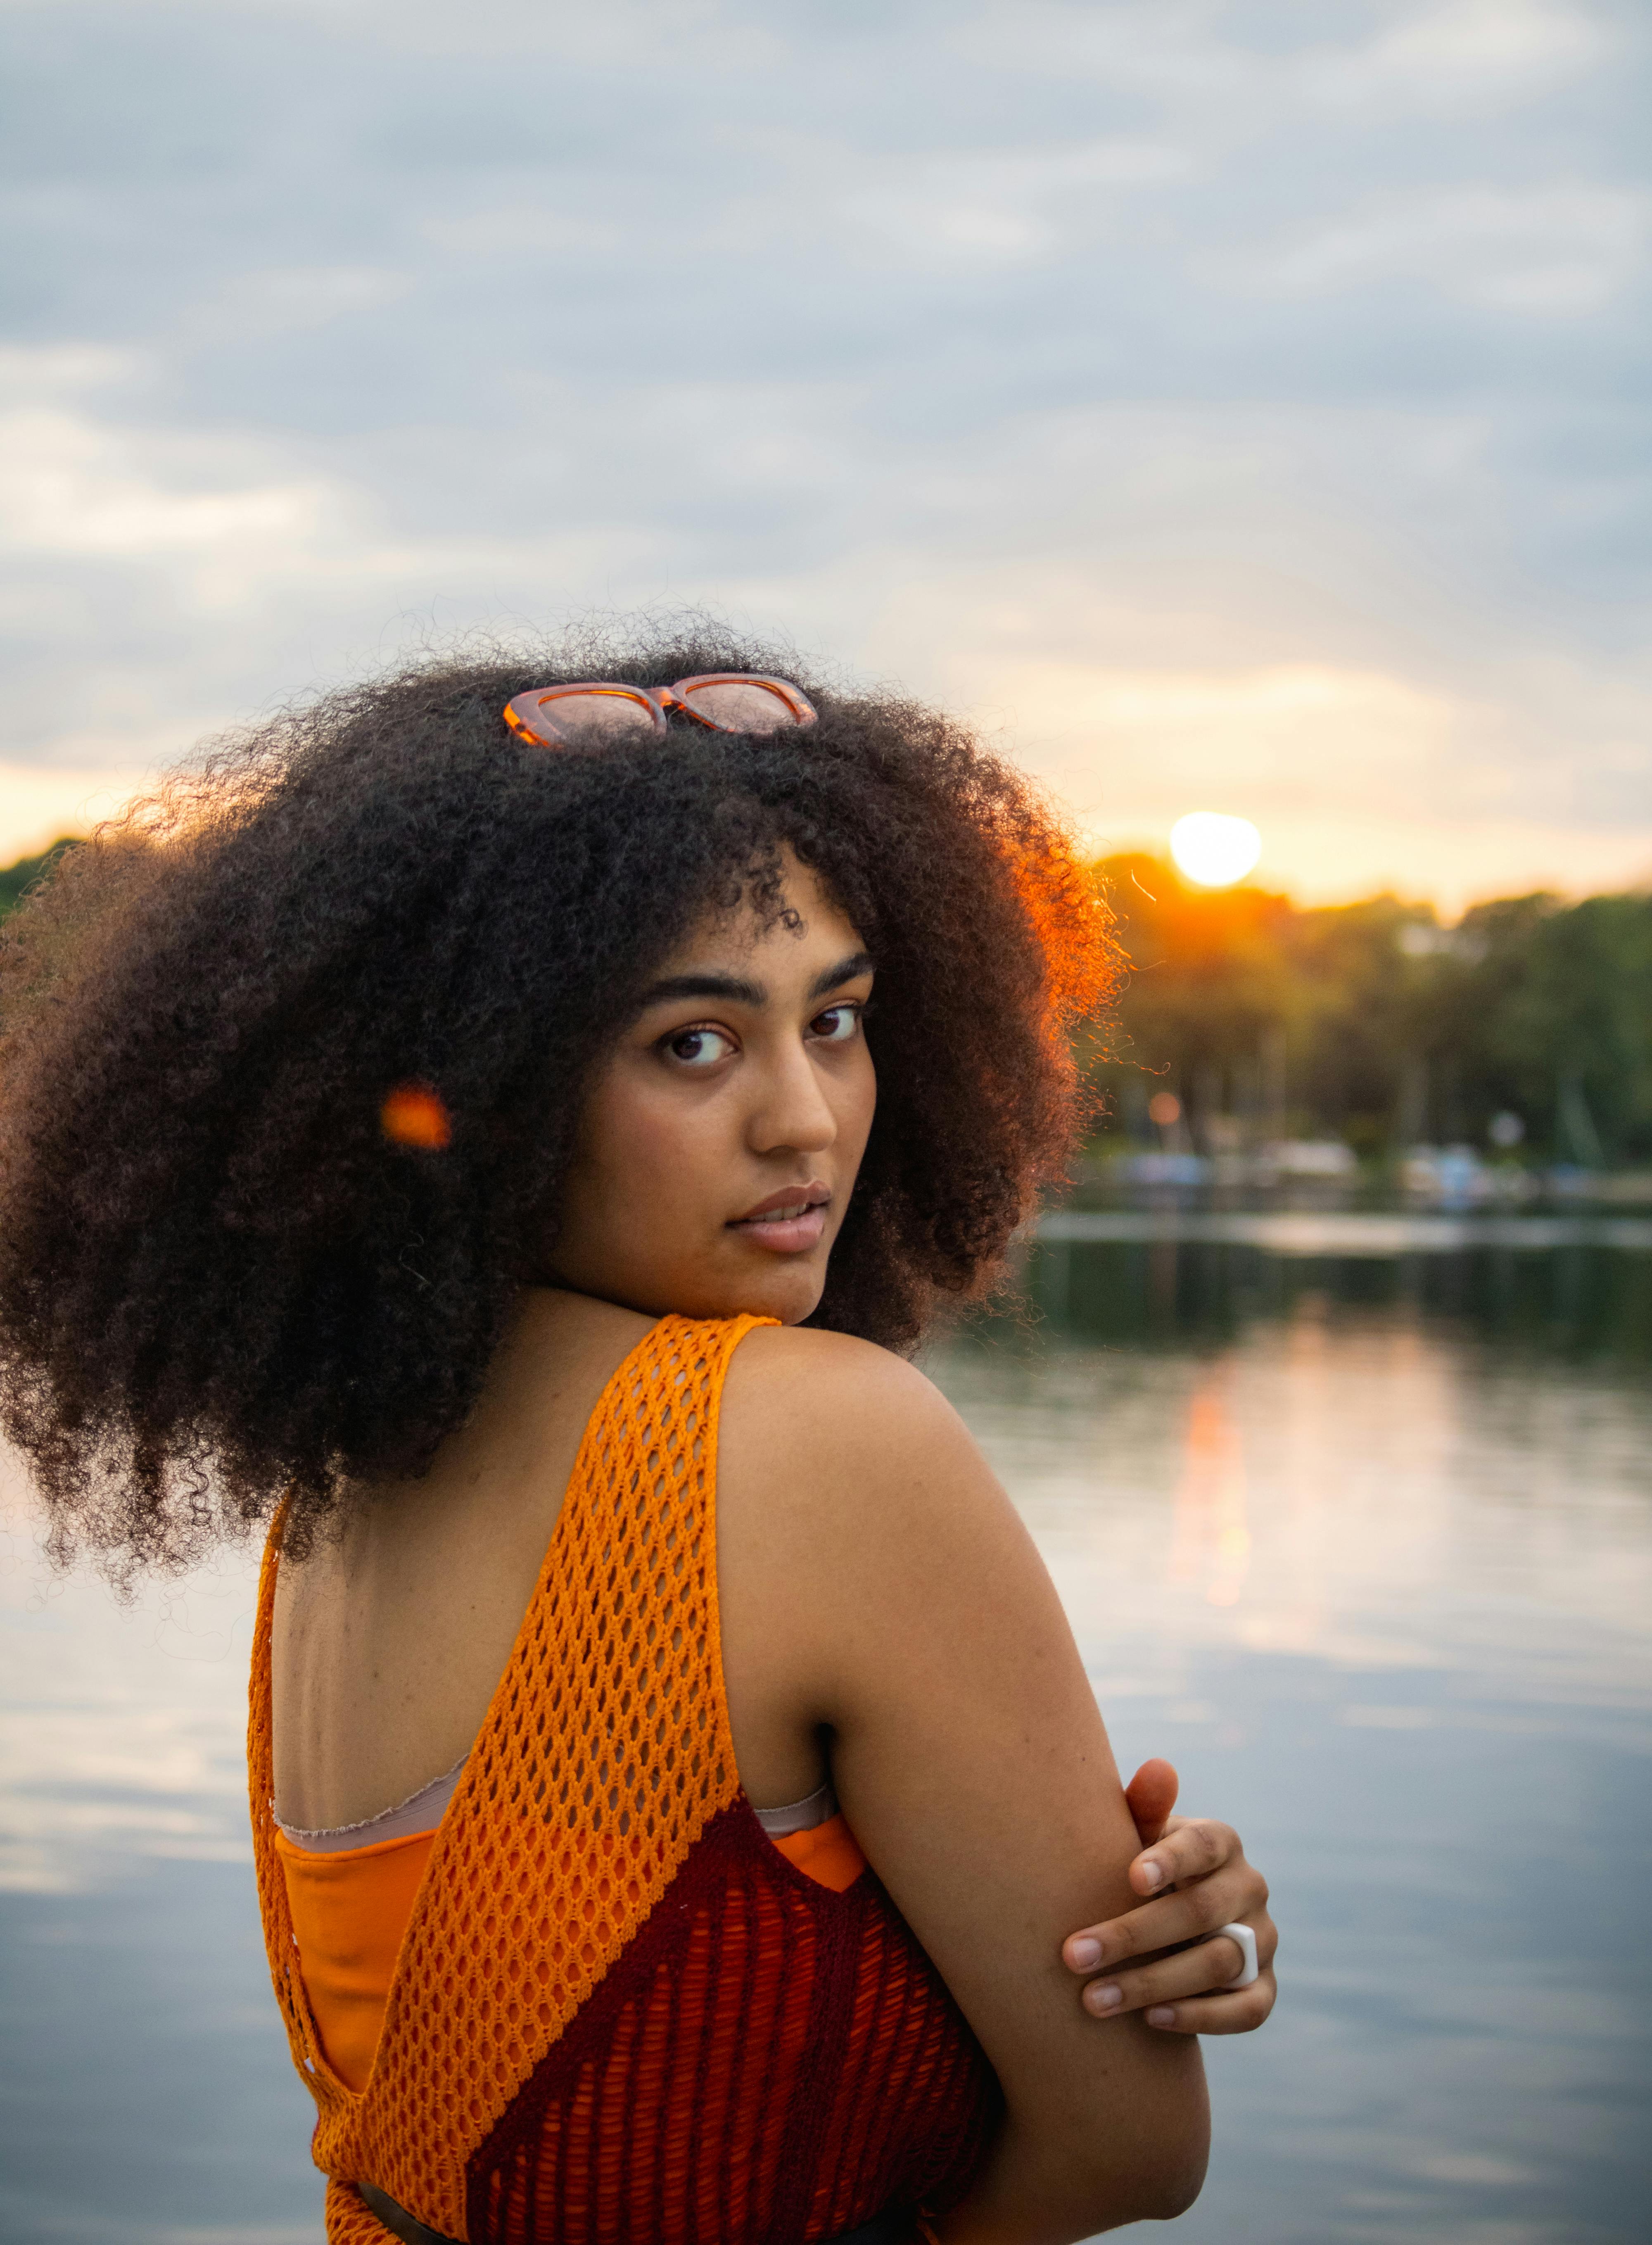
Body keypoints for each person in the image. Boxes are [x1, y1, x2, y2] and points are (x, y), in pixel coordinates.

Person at [0, 632, 1276, 2244]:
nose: (804, 1120)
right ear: (486, 1081)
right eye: (691, 1041)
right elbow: (1129, 2154)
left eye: (838, 1018)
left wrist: (1042, 1895)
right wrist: (1102, 1979)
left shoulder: (342, 1480)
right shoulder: (811, 1445)